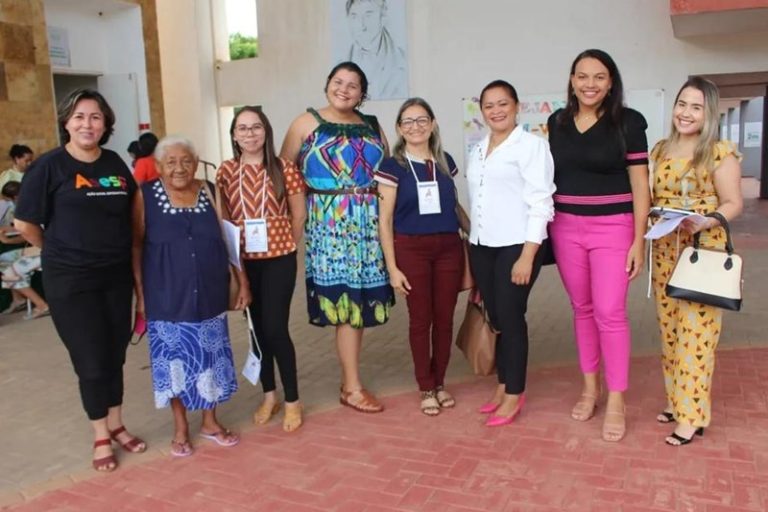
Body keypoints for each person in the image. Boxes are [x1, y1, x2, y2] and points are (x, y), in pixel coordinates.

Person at [13, 89, 146, 472]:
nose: (87, 124)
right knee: (90, 359)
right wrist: (56, 251)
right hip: (71, 282)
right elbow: (25, 224)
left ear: (106, 124)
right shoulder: (49, 167)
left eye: (95, 117)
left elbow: (132, 213)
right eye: (79, 116)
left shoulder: (115, 163)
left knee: (115, 353)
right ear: (66, 121)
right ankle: (101, 433)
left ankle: (118, 424)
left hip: (115, 276)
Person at [546, 49, 650, 442]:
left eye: (599, 77)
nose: (590, 84)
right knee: (582, 309)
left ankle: (617, 400)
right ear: (572, 80)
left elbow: (641, 183)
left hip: (614, 228)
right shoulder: (557, 122)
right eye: (582, 76)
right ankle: (591, 388)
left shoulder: (629, 122)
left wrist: (639, 241)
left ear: (611, 83)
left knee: (610, 312)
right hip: (566, 226)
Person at [281, 61, 394, 413]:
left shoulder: (373, 126)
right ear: (327, 84)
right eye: (338, 81)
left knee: (358, 304)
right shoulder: (305, 122)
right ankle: (352, 386)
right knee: (344, 304)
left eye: (353, 84)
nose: (344, 89)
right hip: (328, 225)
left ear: (363, 93)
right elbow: (283, 176)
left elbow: (388, 174)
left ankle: (351, 382)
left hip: (368, 225)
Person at [132, 135, 248, 457]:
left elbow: (229, 239)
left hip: (210, 291)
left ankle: (210, 421)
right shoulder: (146, 196)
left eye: (186, 161)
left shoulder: (210, 191)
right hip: (166, 294)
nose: (179, 168)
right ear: (158, 166)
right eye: (171, 162)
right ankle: (180, 427)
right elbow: (137, 245)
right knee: (174, 365)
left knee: (210, 358)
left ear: (196, 164)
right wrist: (140, 293)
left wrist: (243, 282)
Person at [650, 77, 743, 446]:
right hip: (666, 251)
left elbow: (733, 202)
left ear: (709, 114)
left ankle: (692, 417)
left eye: (696, 107)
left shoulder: (719, 152)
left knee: (697, 337)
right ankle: (678, 402)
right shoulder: (659, 150)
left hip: (705, 250)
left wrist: (706, 219)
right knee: (671, 332)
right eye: (682, 104)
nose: (685, 113)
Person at [467, 80, 555, 427]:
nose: (496, 111)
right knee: (498, 319)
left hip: (516, 247)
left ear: (517, 106)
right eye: (489, 105)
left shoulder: (531, 146)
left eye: (503, 104)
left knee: (512, 317)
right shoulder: (478, 148)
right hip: (482, 246)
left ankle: (515, 392)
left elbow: (541, 203)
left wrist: (528, 255)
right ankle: (502, 385)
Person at [375, 97, 469, 416]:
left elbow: (454, 206)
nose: (415, 127)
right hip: (411, 248)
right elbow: (384, 220)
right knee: (421, 320)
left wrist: (476, 236)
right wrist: (392, 268)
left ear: (433, 123)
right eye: (408, 122)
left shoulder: (445, 161)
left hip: (448, 248)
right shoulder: (392, 166)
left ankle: (440, 382)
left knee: (444, 319)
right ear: (400, 129)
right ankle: (425, 386)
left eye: (421, 120)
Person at [217, 106, 307, 432]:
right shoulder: (226, 171)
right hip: (245, 265)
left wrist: (287, 244)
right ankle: (270, 395)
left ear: (266, 131)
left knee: (276, 329)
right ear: (234, 135)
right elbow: (224, 219)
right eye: (242, 128)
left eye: (256, 127)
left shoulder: (284, 168)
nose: (250, 133)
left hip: (279, 260)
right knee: (256, 331)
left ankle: (293, 400)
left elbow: (298, 214)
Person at [0, 181, 48, 318]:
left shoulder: (32, 207)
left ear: (15, 198)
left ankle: (42, 305)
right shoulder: (32, 204)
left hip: (46, 250)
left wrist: (8, 240)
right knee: (3, 259)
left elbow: (28, 234)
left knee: (9, 272)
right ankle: (19, 299)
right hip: (38, 247)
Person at [345, 0, 407, 100]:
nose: (361, 26)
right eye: (354, 16)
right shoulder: (342, 62)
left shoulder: (402, 61)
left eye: (368, 16)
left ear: (383, 18)